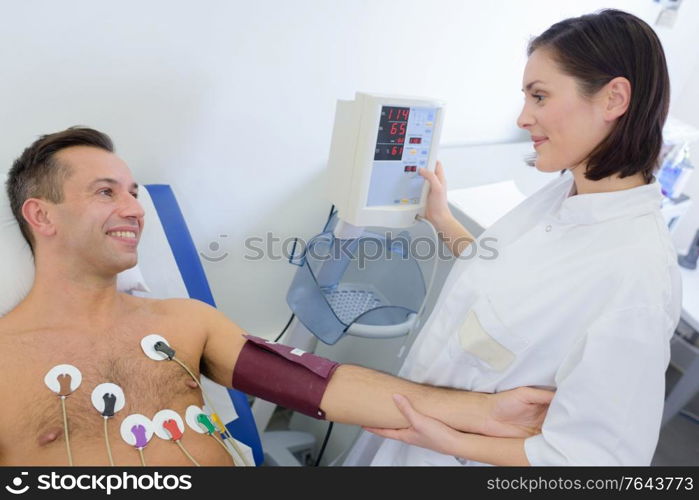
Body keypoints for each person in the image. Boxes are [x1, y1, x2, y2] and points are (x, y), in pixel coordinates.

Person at [0, 127, 553, 466]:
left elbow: (324, 384)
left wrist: (487, 411)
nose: (134, 208)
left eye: (134, 192)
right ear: (41, 215)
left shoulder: (186, 322)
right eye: (105, 192)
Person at [347, 9, 681, 466]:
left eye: (540, 96)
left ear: (613, 99)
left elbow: (597, 461)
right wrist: (443, 219)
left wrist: (449, 440)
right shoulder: (567, 196)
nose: (524, 118)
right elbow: (509, 283)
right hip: (416, 428)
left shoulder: (635, 278)